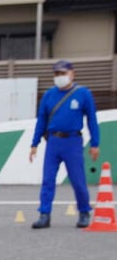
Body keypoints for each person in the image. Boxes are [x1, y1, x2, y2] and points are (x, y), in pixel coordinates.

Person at [29, 59, 100, 229]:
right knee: (48, 180)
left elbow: (92, 120)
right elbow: (42, 120)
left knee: (78, 180)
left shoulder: (83, 94)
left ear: (72, 73)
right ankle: (44, 214)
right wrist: (34, 143)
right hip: (53, 141)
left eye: (63, 73)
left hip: (73, 141)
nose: (60, 77)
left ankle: (84, 212)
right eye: (57, 74)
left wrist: (95, 143)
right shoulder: (49, 95)